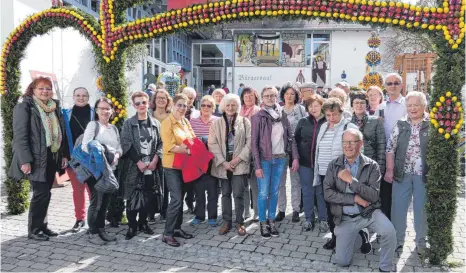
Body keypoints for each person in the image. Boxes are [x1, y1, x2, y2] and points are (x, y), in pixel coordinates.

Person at [323, 129, 396, 272]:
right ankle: (362, 237)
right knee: (342, 262)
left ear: (360, 144)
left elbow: (374, 196)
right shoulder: (334, 165)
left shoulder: (372, 165)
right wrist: (354, 198)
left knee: (389, 232)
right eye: (345, 142)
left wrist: (351, 180)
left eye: (352, 142)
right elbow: (327, 194)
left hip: (368, 213)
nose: (347, 146)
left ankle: (386, 267)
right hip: (345, 218)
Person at [9, 77, 69, 241]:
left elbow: (61, 132)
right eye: (41, 88)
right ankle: (34, 230)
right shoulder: (25, 107)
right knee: (40, 193)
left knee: (46, 193)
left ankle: (43, 226)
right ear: (33, 90)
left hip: (52, 156)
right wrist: (25, 160)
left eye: (48, 88)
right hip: (35, 159)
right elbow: (20, 137)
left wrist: (64, 154)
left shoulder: (54, 107)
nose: (45, 91)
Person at [313, 98, 371, 252]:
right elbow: (318, 151)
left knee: (347, 206)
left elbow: (360, 149)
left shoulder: (349, 126)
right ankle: (335, 236)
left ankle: (359, 235)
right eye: (328, 115)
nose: (331, 118)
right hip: (325, 173)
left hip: (343, 174)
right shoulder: (324, 126)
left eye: (334, 114)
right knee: (331, 207)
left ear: (341, 112)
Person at [251, 85, 299, 238]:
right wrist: (257, 165)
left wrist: (295, 157)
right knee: (264, 192)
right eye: (266, 96)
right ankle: (263, 222)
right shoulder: (258, 117)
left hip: (280, 159)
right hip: (265, 160)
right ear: (262, 98)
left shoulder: (282, 114)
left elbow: (290, 138)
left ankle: (271, 220)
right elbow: (254, 143)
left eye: (272, 95)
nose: (270, 98)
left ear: (277, 97)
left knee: (275, 192)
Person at [385, 91, 429, 255]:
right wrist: (390, 170)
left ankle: (421, 242)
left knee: (421, 209)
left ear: (424, 106)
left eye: (416, 105)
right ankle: (397, 240)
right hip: (401, 173)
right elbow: (390, 149)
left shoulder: (431, 124)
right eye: (409, 105)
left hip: (423, 175)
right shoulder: (401, 123)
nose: (412, 108)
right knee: (398, 208)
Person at [119, 91, 163, 240]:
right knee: (132, 196)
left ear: (148, 103)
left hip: (151, 165)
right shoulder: (128, 123)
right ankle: (132, 226)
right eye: (137, 103)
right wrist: (138, 161)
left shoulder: (156, 123)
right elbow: (125, 143)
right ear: (134, 105)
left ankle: (143, 223)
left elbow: (161, 143)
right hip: (134, 165)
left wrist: (156, 159)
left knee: (147, 195)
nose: (141, 105)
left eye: (143, 102)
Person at [209, 94, 251, 236]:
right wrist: (223, 162)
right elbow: (212, 144)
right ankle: (227, 221)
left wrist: (238, 159)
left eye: (233, 105)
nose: (230, 107)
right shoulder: (216, 123)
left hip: (239, 161)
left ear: (237, 106)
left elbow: (249, 143)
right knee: (225, 193)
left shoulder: (245, 122)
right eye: (228, 105)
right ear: (223, 106)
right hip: (223, 163)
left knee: (239, 194)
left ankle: (240, 222)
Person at [82, 97, 122, 245]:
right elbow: (85, 146)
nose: (104, 111)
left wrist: (116, 155)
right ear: (96, 111)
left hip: (111, 170)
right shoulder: (93, 125)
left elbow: (119, 147)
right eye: (101, 108)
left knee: (105, 202)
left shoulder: (114, 128)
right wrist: (101, 150)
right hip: (96, 171)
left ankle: (101, 230)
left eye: (107, 108)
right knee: (96, 202)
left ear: (111, 111)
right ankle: (93, 233)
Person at [161, 93, 195, 247]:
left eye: (185, 105)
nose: (182, 108)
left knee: (180, 198)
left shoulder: (185, 121)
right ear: (173, 106)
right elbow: (169, 147)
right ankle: (167, 233)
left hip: (185, 165)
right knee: (175, 199)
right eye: (179, 105)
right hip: (172, 166)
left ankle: (177, 228)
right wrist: (187, 150)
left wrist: (188, 147)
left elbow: (192, 139)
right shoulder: (167, 123)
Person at [374, 73, 407, 220]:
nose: (393, 86)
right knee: (385, 193)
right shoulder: (380, 107)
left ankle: (398, 226)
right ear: (385, 87)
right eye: (389, 83)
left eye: (396, 83)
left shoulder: (408, 104)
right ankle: (386, 226)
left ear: (401, 85)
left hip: (402, 155)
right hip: (383, 155)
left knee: (400, 194)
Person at [294, 95, 328, 232]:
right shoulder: (303, 121)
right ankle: (309, 218)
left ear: (322, 106)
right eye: (310, 106)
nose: (314, 108)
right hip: (305, 163)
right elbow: (295, 141)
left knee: (320, 192)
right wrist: (295, 158)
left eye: (316, 105)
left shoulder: (327, 121)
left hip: (322, 164)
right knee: (307, 192)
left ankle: (323, 219)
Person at [62, 87, 93, 232]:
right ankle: (80, 219)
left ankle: (95, 218)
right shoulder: (66, 115)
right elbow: (61, 137)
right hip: (73, 159)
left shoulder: (94, 113)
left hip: (92, 159)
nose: (81, 98)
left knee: (93, 190)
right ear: (73, 97)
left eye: (84, 95)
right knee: (78, 190)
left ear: (88, 97)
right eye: (78, 95)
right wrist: (64, 156)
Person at [276, 82, 307, 223]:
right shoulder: (278, 110)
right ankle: (281, 209)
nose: (289, 96)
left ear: (296, 96)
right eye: (287, 93)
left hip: (297, 151)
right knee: (280, 182)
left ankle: (295, 209)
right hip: (281, 151)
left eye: (292, 94)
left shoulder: (301, 110)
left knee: (296, 182)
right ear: (283, 95)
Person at [189, 95, 219, 227]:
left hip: (213, 161)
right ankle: (199, 215)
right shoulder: (193, 121)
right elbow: (189, 140)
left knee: (213, 190)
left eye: (209, 106)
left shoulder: (218, 121)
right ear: (199, 107)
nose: (206, 108)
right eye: (203, 105)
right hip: (198, 162)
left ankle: (212, 216)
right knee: (199, 190)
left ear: (213, 108)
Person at [350, 91, 386, 175]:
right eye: (356, 103)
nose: (359, 105)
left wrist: (380, 168)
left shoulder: (376, 121)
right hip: (351, 165)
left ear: (366, 104)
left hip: (370, 164)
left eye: (362, 103)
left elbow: (381, 146)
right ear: (352, 104)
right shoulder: (347, 123)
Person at [239, 86, 261, 221]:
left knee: (254, 185)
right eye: (246, 96)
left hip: (254, 152)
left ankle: (257, 212)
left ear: (255, 97)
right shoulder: (239, 111)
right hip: (240, 152)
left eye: (251, 96)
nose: (248, 98)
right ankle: (245, 211)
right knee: (243, 185)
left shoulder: (258, 112)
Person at [181, 87, 199, 214]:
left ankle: (190, 201)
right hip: (179, 149)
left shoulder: (196, 113)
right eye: (187, 97)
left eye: (191, 98)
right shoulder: (175, 111)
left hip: (192, 152)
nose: (189, 101)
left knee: (191, 180)